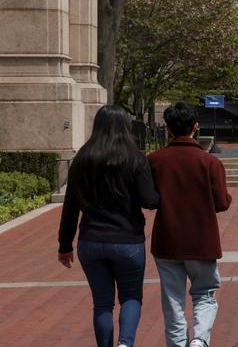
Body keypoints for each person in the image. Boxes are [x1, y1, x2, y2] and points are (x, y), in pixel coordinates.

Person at [58, 105, 160, 347]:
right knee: (131, 297)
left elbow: (70, 206)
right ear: (125, 126)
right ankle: (125, 343)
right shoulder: (135, 158)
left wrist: (64, 245)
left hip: (90, 240)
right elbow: (149, 200)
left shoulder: (82, 159)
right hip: (128, 239)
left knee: (102, 302)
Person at [149, 102, 232, 347]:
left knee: (172, 299)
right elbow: (222, 203)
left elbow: (150, 199)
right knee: (204, 293)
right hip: (201, 239)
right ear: (196, 127)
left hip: (167, 239)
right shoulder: (210, 162)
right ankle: (199, 339)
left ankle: (177, 344)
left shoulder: (155, 160)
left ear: (168, 129)